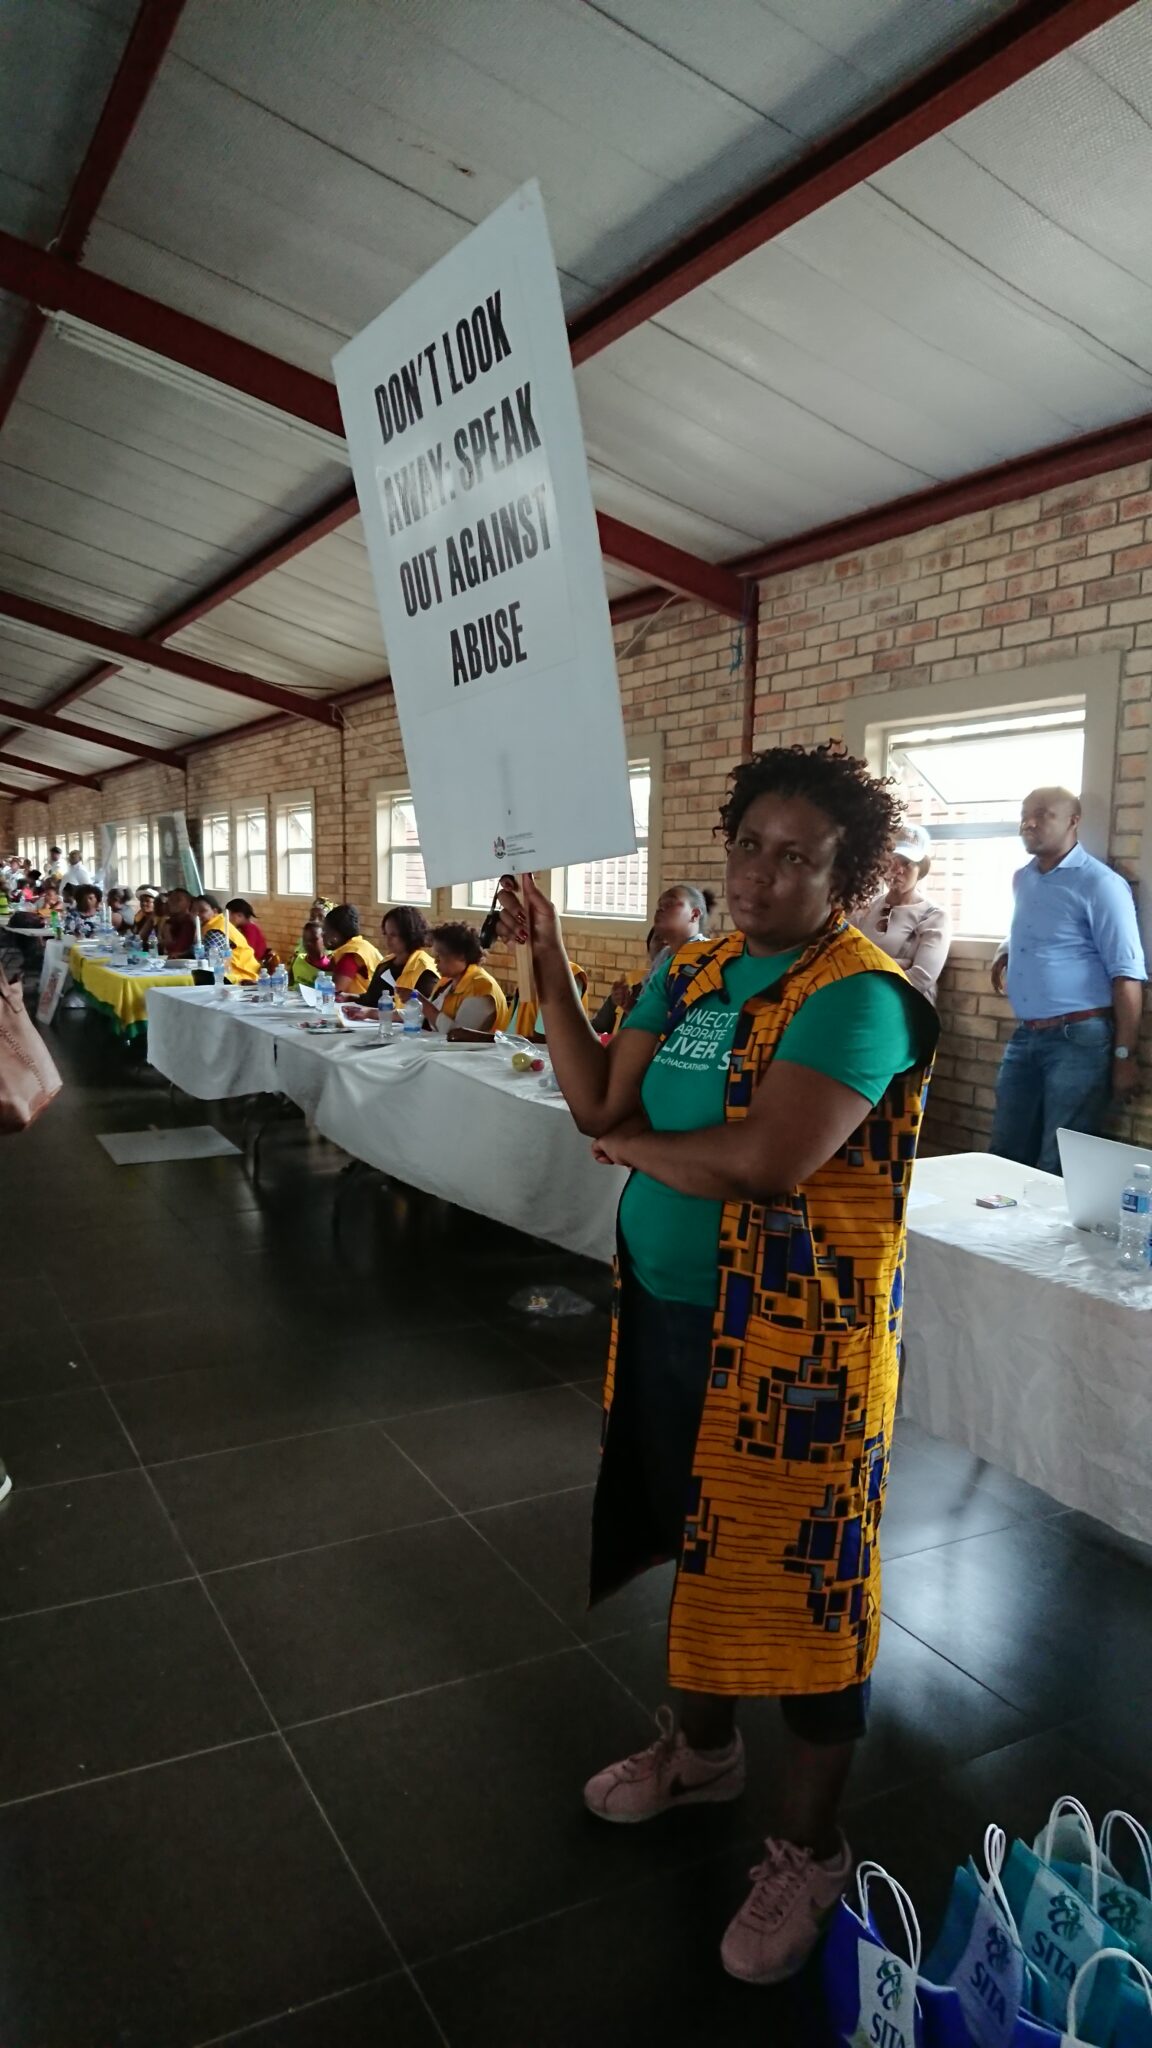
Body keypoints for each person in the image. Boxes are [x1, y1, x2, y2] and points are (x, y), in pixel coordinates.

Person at [495, 744, 937, 1987]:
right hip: (670, 1314)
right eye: (749, 844)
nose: (761, 873)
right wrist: (544, 958)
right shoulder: (689, 971)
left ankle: (811, 1846)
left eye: (799, 856)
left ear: (847, 876)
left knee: (810, 1583)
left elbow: (763, 1160)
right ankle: (701, 1754)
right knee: (699, 1539)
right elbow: (596, 1102)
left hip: (801, 1350)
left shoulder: (860, 994)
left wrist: (639, 1150)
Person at [988, 787, 1146, 1173]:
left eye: (1043, 814)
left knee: (1057, 1162)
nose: (1028, 823)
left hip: (1079, 1040)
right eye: (1024, 814)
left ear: (1073, 821)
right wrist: (1006, 950)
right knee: (1004, 1154)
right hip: (1027, 1035)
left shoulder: (1100, 884)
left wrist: (1124, 1056)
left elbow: (1127, 974)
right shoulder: (1023, 878)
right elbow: (1047, 928)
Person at [855, 823, 952, 1005]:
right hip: (862, 1002)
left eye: (907, 864)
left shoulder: (934, 917)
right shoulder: (865, 908)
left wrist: (866, 969)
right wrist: (897, 964)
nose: (898, 870)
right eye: (892, 861)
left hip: (906, 1008)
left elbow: (920, 979)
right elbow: (845, 961)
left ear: (921, 869)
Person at [403, 921, 509, 1034]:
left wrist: (422, 1003)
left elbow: (458, 1035)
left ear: (461, 956)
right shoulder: (448, 982)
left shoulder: (480, 987)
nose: (435, 961)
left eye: (440, 955)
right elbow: (427, 1013)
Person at [361, 906, 438, 1007]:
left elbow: (425, 1011)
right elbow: (371, 998)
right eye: (385, 934)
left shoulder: (425, 970)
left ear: (409, 934)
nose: (387, 940)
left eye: (393, 935)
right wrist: (352, 997)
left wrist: (373, 1013)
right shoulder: (385, 964)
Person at [592, 927, 663, 1036]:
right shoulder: (629, 989)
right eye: (658, 938)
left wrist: (630, 1007)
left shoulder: (684, 997)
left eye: (671, 939)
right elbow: (596, 1029)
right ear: (648, 949)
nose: (665, 943)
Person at [192, 893, 260, 983]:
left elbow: (210, 963)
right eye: (193, 911)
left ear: (215, 911)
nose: (197, 914)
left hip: (240, 977)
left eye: (202, 911)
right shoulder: (214, 924)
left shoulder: (216, 931)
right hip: (232, 975)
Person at [322, 904, 383, 998]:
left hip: (363, 1004)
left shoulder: (351, 954)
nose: (322, 935)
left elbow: (333, 994)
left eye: (325, 930)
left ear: (335, 935)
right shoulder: (362, 946)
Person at [226, 897, 269, 966]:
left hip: (251, 965)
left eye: (230, 915)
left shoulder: (250, 929)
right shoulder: (243, 927)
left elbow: (247, 952)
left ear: (239, 915)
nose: (228, 919)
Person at [290, 918, 330, 988]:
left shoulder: (330, 968)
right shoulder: (298, 959)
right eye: (305, 939)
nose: (308, 943)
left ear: (324, 939)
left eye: (313, 939)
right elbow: (289, 983)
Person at [161, 887, 197, 959]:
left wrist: (166, 931)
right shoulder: (171, 920)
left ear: (188, 903)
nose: (173, 903)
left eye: (178, 900)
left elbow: (176, 950)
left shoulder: (188, 922)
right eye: (171, 899)